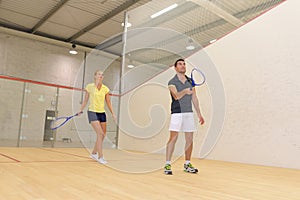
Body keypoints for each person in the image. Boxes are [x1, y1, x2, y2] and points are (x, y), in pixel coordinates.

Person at [164, 58, 205, 175]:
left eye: (184, 64)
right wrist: (185, 91)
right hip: (177, 113)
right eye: (180, 64)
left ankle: (187, 164)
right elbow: (176, 96)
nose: (183, 66)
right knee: (173, 138)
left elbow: (194, 98)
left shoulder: (190, 81)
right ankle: (167, 164)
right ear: (175, 67)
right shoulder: (171, 82)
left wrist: (199, 113)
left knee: (189, 139)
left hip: (189, 113)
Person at [79, 70, 116, 164]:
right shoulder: (89, 87)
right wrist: (81, 109)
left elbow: (108, 102)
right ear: (95, 76)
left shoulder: (105, 89)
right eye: (99, 74)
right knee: (100, 134)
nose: (101, 76)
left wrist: (113, 113)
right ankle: (100, 157)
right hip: (92, 112)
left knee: (103, 135)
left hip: (102, 113)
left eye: (102, 75)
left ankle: (94, 153)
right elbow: (85, 100)